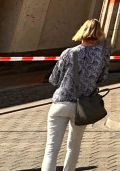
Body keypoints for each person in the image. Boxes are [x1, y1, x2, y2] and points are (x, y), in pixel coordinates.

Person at [42, 18, 109, 171]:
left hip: (61, 103)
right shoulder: (103, 54)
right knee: (74, 145)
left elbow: (54, 79)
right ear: (99, 33)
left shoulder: (69, 53)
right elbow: (102, 77)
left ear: (82, 32)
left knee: (51, 148)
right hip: (83, 106)